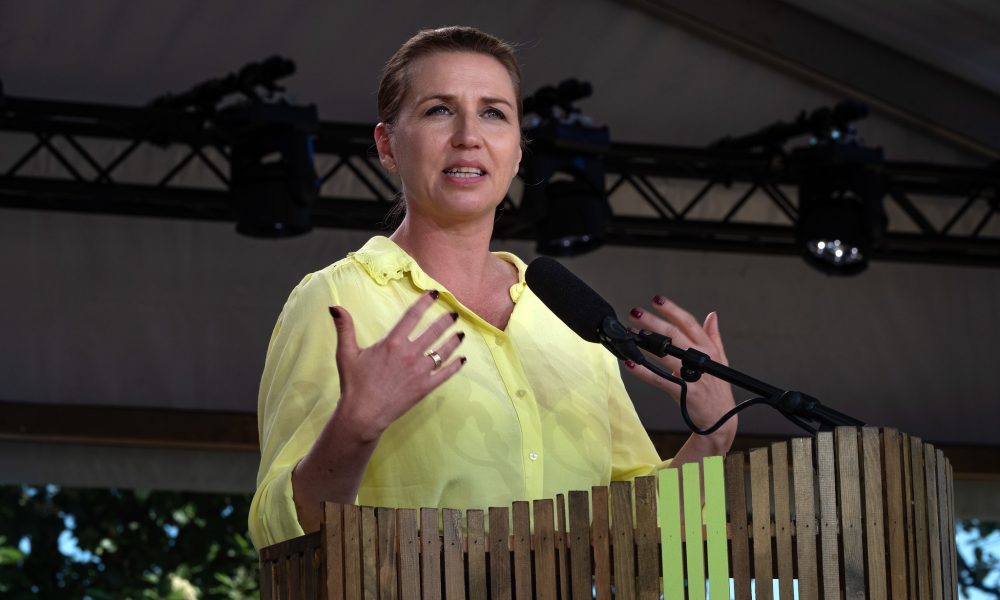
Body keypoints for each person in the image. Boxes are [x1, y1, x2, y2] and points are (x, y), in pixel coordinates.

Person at [249, 26, 736, 549]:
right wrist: (353, 430)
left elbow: (638, 534)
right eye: (439, 110)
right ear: (387, 145)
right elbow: (279, 534)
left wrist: (713, 438)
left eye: (494, 113)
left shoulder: (569, 320)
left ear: (518, 151)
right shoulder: (336, 301)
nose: (468, 135)